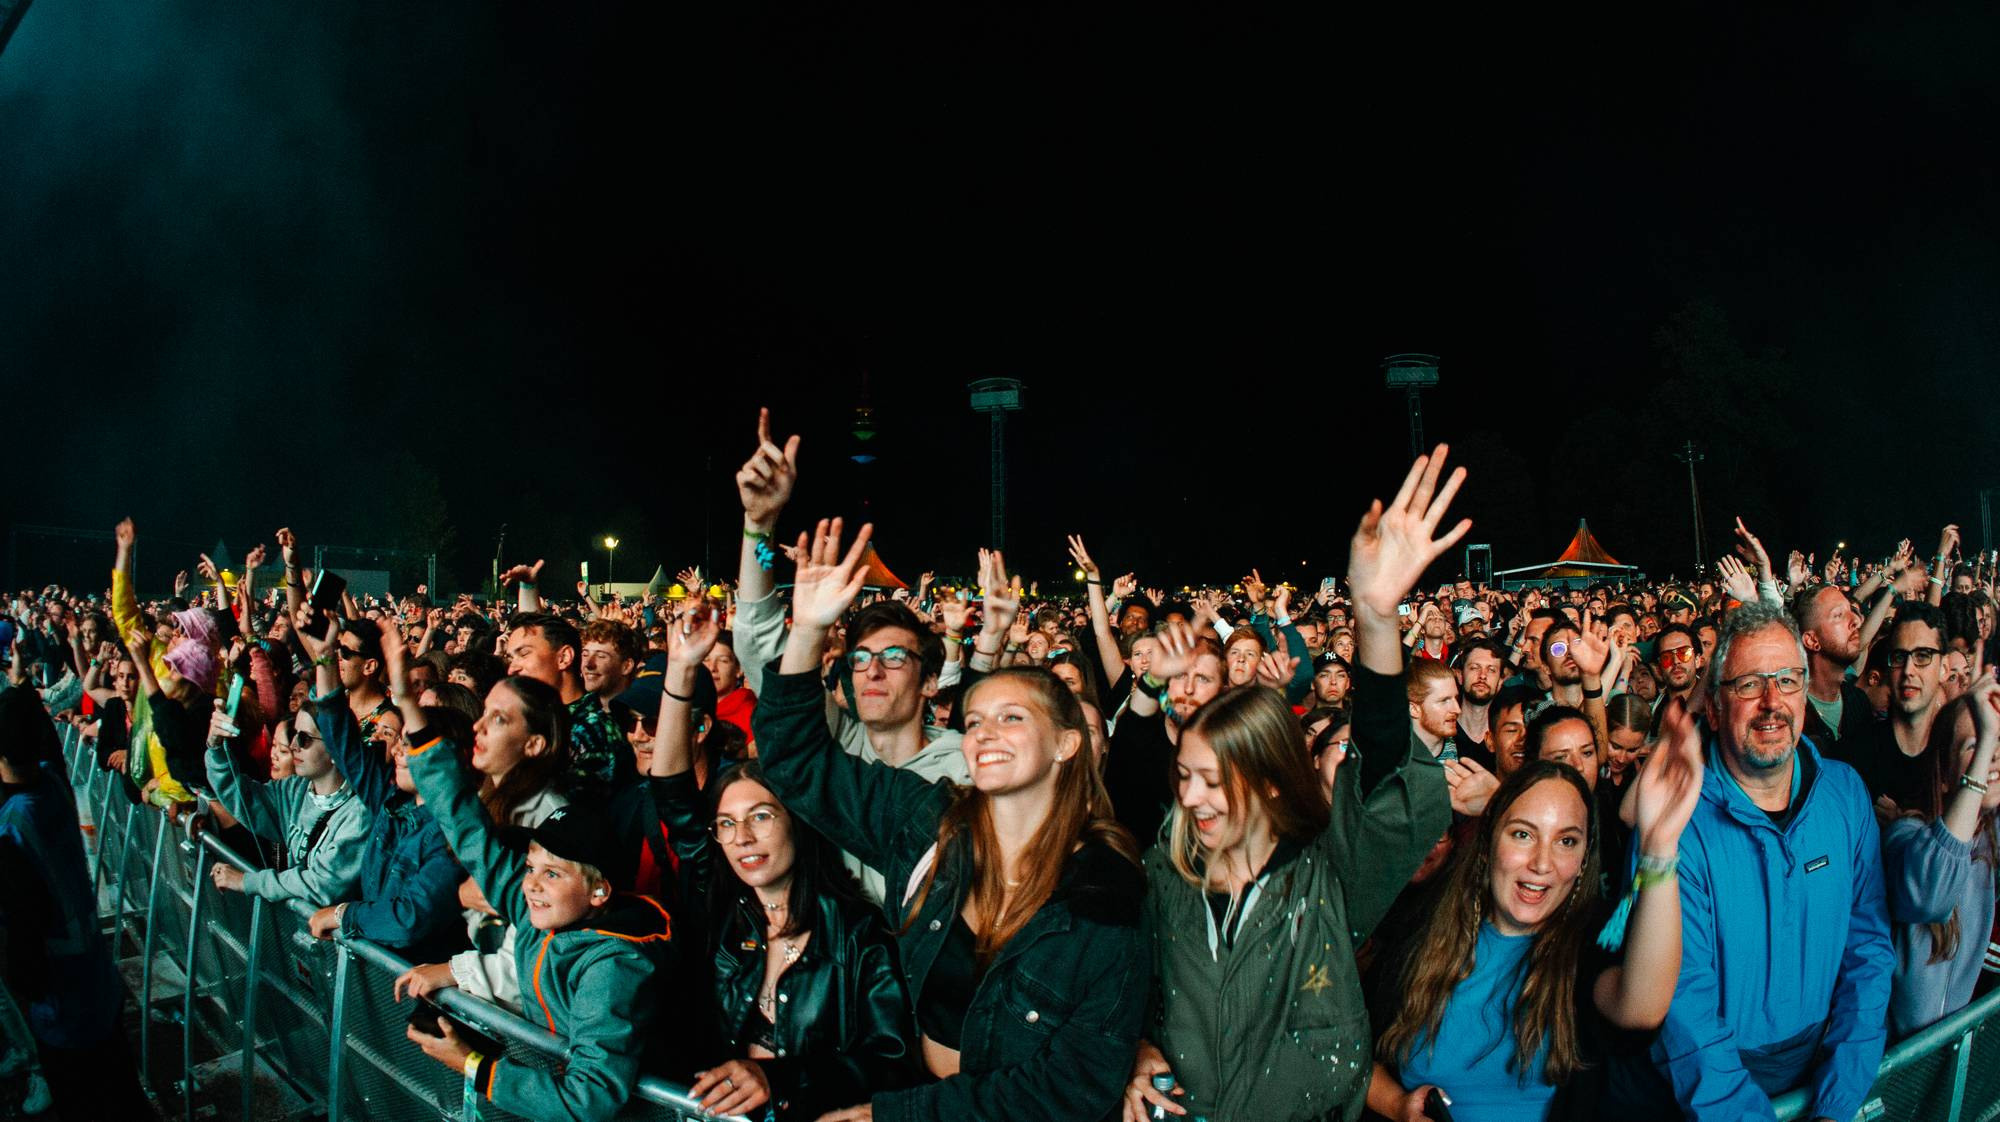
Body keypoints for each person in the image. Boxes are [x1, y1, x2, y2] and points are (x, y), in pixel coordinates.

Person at [756, 517, 1147, 1122]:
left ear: (1068, 745)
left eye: (1012, 718)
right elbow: (795, 761)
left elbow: (1072, 1086)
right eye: (974, 721)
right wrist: (807, 630)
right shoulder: (923, 818)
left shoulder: (1103, 890)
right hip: (903, 1085)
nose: (985, 733)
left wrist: (900, 1115)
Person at [1123, 445, 1461, 1122]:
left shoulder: (1329, 874)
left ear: (1275, 781)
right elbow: (1124, 991)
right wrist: (1134, 1049)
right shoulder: (1164, 874)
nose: (1192, 798)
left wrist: (1374, 617)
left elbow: (1390, 771)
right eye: (1185, 777)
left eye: (1216, 781)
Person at [1609, 602, 1892, 1122]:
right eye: (1748, 685)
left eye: (1787, 680)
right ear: (1714, 708)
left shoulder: (1846, 795)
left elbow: (1868, 951)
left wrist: (1836, 1101)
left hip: (1823, 1074)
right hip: (1704, 1094)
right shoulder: (1676, 821)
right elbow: (1683, 1005)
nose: (1771, 702)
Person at [384, 622, 676, 1120]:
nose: (533, 885)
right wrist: (409, 707)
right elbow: (462, 821)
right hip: (534, 1082)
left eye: (553, 874)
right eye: (530, 866)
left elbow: (591, 1096)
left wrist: (474, 1064)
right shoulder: (531, 898)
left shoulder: (613, 967)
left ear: (600, 891)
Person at [649, 603, 920, 1118]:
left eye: (762, 817)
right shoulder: (724, 910)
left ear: (797, 821)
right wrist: (681, 668)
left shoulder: (858, 935)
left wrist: (778, 1077)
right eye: (727, 824)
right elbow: (671, 793)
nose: (743, 838)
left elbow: (890, 1059)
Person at [1368, 709, 1702, 1121]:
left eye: (1566, 841)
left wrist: (1660, 847)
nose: (1542, 863)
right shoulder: (1421, 924)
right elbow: (1348, 1050)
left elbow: (1642, 1006)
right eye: (1523, 834)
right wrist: (1397, 1105)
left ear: (1583, 862)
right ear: (1489, 841)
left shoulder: (1584, 947)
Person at [0, 687, 149, 1119]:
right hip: (97, 979)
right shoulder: (52, 783)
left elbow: (25, 925)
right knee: (123, 1090)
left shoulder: (12, 827)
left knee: (87, 1101)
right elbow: (44, 745)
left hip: (60, 1000)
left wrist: (27, 990)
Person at [297, 618, 468, 965]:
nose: (400, 752)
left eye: (414, 743)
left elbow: (409, 917)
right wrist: (326, 657)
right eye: (402, 740)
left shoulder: (452, 833)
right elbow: (340, 734)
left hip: (418, 989)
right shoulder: (391, 801)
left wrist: (345, 914)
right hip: (379, 976)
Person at [1881, 678, 2000, 1036]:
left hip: (1949, 1061)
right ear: (1945, 776)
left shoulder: (1987, 840)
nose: (1991, 756)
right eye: (1975, 747)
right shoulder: (1905, 837)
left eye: (1997, 745)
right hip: (1900, 1062)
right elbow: (1932, 894)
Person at [203, 697, 370, 907]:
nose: (293, 746)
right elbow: (241, 797)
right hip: (302, 932)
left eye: (304, 738)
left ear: (335, 749)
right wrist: (216, 746)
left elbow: (322, 884)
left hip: (336, 938)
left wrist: (248, 881)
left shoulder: (359, 813)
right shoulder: (294, 790)